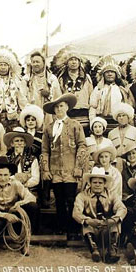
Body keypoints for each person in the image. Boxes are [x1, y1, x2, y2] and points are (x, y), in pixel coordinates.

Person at [41, 94, 88, 238]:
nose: (59, 109)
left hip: (71, 170)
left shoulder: (75, 125)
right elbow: (45, 150)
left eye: (61, 106)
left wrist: (78, 167)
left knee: (71, 199)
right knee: (59, 201)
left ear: (67, 107)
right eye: (56, 107)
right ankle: (62, 227)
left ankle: (73, 228)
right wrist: (46, 170)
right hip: (55, 171)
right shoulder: (49, 128)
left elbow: (82, 146)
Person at [0, 156, 38, 254]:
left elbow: (31, 198)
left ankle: (25, 241)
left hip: (15, 216)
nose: (3, 178)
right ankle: (0, 240)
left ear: (10, 174)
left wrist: (19, 203)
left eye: (5, 175)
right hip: (0, 217)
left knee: (32, 206)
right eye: (0, 175)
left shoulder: (16, 184)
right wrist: (6, 215)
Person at [72, 167, 127, 263]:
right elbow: (76, 212)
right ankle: (94, 250)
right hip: (93, 230)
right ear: (90, 183)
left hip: (107, 229)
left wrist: (113, 220)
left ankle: (112, 250)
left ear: (104, 184)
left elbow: (122, 208)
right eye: (95, 182)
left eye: (100, 183)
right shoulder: (82, 195)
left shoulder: (112, 195)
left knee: (117, 222)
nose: (97, 185)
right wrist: (88, 220)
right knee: (85, 223)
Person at [51, 46, 93, 131]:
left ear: (79, 62)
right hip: (68, 111)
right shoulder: (62, 79)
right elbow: (59, 97)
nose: (73, 62)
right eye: (71, 60)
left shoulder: (86, 77)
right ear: (67, 62)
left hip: (84, 111)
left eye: (76, 60)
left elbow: (91, 96)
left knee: (83, 135)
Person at [89, 55, 130, 125]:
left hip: (117, 122)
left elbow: (126, 107)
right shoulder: (98, 89)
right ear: (103, 75)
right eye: (107, 72)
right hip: (100, 122)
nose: (110, 74)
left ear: (116, 75)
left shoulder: (121, 90)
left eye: (112, 72)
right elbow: (93, 107)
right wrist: (93, 121)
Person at [24, 51, 62, 126]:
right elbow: (22, 97)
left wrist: (49, 95)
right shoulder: (26, 79)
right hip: (31, 116)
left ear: (43, 63)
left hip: (48, 114)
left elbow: (58, 98)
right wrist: (29, 110)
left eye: (37, 62)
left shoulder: (51, 78)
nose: (35, 64)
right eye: (33, 62)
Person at [108, 103, 136, 173]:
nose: (121, 118)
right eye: (119, 116)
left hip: (132, 163)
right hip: (116, 164)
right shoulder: (111, 133)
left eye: (124, 115)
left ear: (128, 117)